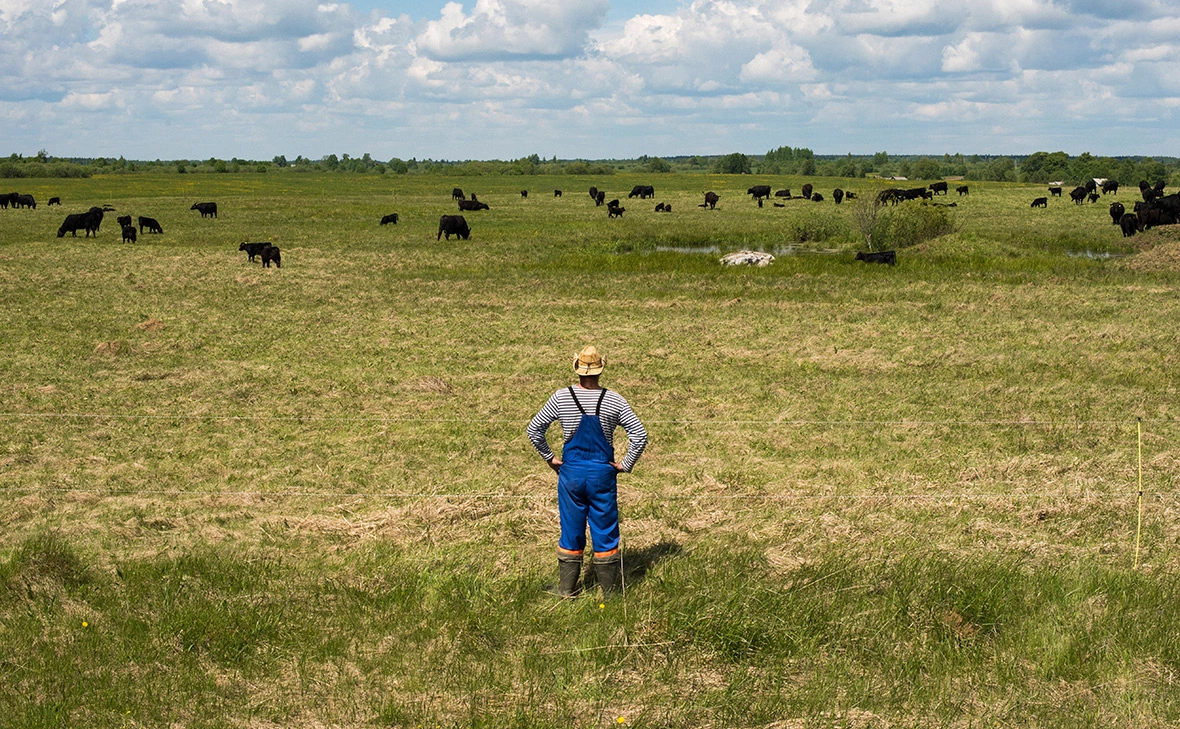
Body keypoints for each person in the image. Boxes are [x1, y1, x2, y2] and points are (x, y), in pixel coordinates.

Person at [527, 345, 648, 598]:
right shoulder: (614, 400)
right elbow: (640, 434)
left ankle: (566, 589)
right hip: (602, 475)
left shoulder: (561, 397)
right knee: (605, 529)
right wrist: (625, 464)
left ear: (577, 369)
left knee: (571, 529)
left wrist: (550, 458)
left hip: (570, 474)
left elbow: (534, 429)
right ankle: (610, 593)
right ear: (601, 370)